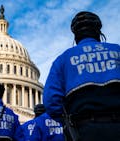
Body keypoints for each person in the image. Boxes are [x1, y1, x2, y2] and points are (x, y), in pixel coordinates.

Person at [43, 11, 120, 141]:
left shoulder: (63, 59)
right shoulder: (117, 50)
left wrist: (68, 121)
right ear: (98, 32)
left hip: (83, 128)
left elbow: (51, 101)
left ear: (75, 36)